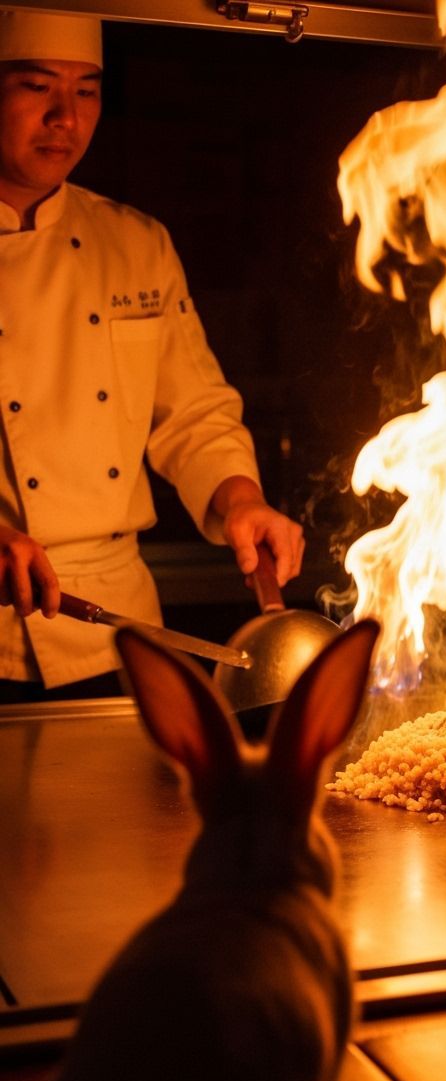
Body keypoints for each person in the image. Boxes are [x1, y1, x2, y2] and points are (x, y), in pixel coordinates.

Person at [0, 9, 304, 700]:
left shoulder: (135, 244)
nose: (64, 117)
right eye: (35, 86)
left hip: (120, 634)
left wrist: (241, 500)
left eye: (86, 90)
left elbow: (193, 414)